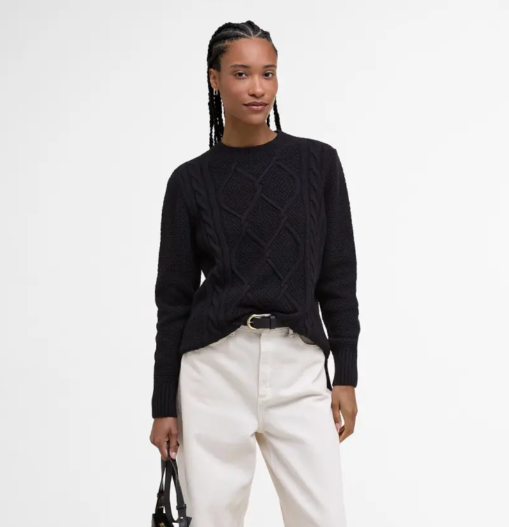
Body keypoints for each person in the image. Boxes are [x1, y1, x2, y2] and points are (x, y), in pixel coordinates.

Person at [149, 20, 361, 527]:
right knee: (212, 518)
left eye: (268, 73)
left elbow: (338, 275)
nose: (257, 88)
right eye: (241, 73)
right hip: (214, 371)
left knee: (322, 517)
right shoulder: (189, 182)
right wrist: (163, 405)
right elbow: (173, 299)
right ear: (214, 79)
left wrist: (347, 374)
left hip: (298, 364)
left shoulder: (317, 164)